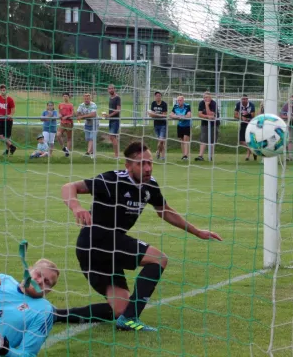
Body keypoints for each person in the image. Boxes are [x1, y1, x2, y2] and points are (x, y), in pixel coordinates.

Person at [55, 141, 222, 331]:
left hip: (106, 249)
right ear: (128, 165)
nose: (148, 168)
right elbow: (69, 187)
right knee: (158, 259)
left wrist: (198, 232)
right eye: (141, 163)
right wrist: (77, 207)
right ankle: (130, 319)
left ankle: (56, 315)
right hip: (96, 241)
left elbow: (165, 211)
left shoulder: (150, 186)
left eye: (150, 163)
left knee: (121, 308)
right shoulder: (113, 180)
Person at [196, 92, 220, 162]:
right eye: (204, 97)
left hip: (214, 124)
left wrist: (207, 105)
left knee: (212, 141)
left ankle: (211, 157)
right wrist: (207, 116)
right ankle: (200, 156)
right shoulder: (201, 103)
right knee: (203, 139)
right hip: (204, 124)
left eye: (207, 97)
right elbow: (199, 114)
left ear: (210, 97)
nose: (206, 99)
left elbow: (211, 115)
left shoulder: (213, 103)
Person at [234, 94, 256, 161]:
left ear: (247, 99)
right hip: (243, 124)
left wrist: (246, 116)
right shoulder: (238, 104)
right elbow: (235, 115)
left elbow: (253, 115)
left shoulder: (251, 105)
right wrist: (241, 117)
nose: (244, 100)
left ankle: (247, 156)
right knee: (241, 141)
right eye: (242, 99)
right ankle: (253, 151)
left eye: (245, 99)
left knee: (249, 140)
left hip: (250, 124)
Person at [169, 95, 191, 160]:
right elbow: (171, 115)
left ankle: (186, 155)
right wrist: (177, 117)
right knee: (181, 140)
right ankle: (183, 155)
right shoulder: (175, 106)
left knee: (186, 139)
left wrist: (182, 116)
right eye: (178, 100)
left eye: (180, 100)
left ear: (183, 100)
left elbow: (189, 115)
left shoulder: (187, 106)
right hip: (180, 125)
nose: (179, 102)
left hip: (187, 125)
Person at [102, 84, 121, 158]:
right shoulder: (110, 98)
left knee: (112, 136)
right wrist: (107, 115)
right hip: (111, 120)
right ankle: (116, 154)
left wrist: (109, 115)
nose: (111, 90)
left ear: (114, 89)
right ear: (108, 90)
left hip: (115, 120)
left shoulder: (117, 97)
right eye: (109, 89)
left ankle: (117, 155)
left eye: (112, 88)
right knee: (112, 137)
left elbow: (118, 110)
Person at [76, 93, 98, 158]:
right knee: (88, 139)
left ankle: (88, 153)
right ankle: (93, 152)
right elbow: (77, 113)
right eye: (85, 98)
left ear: (90, 99)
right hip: (87, 124)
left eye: (88, 98)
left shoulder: (93, 104)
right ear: (83, 99)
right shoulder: (81, 105)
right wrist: (78, 115)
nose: (86, 100)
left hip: (95, 124)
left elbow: (93, 114)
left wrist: (82, 116)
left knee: (91, 138)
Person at [148, 91, 168, 160]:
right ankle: (160, 154)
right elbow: (151, 114)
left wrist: (156, 114)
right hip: (156, 124)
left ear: (161, 97)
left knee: (161, 140)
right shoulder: (153, 103)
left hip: (163, 124)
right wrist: (158, 115)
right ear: (155, 97)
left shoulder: (164, 104)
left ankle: (160, 154)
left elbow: (164, 115)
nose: (158, 97)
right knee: (160, 141)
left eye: (159, 96)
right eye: (156, 96)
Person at [57, 92, 74, 157]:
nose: (65, 97)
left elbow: (72, 114)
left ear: (69, 97)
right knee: (58, 135)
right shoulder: (60, 104)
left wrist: (67, 116)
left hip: (69, 123)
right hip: (62, 123)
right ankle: (63, 147)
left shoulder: (71, 105)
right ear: (62, 97)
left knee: (69, 138)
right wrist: (59, 115)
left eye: (66, 96)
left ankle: (68, 152)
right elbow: (59, 112)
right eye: (64, 96)